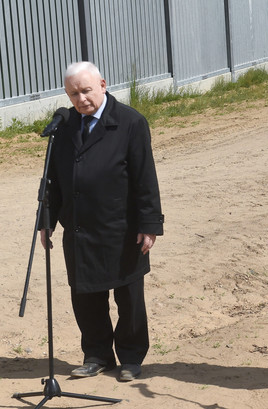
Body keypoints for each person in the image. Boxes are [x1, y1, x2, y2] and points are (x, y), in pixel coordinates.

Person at [40, 61, 164, 382]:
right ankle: (97, 355)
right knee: (86, 298)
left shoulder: (130, 123)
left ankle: (132, 358)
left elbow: (144, 178)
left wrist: (149, 225)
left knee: (129, 298)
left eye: (86, 90)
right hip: (79, 230)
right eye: (73, 94)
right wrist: (46, 221)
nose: (81, 99)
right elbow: (52, 180)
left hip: (120, 230)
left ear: (103, 85)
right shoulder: (64, 128)